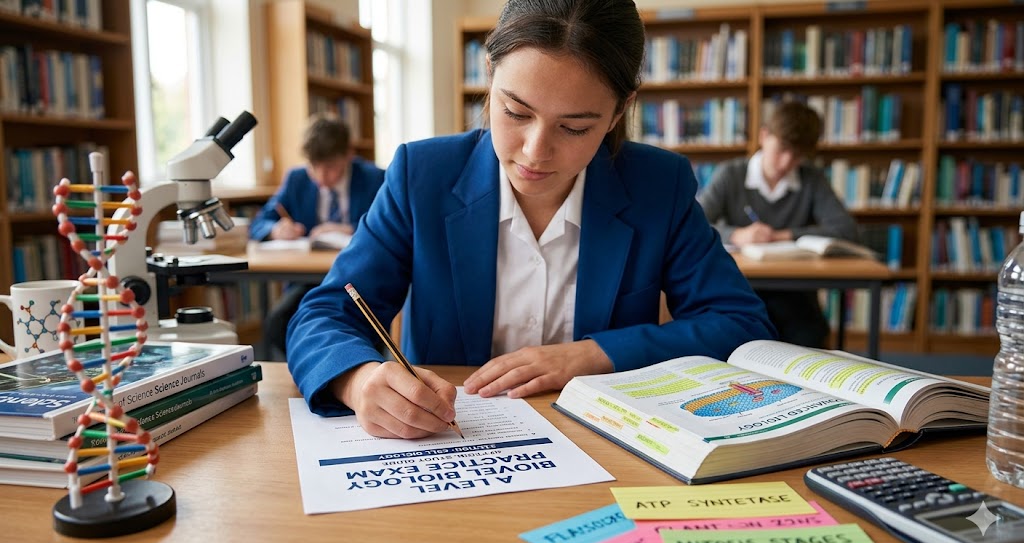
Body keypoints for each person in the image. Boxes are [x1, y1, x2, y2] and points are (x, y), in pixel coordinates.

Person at [287, 0, 776, 440]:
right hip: (450, 447)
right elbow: (323, 316)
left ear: (618, 113)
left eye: (575, 127)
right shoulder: (423, 175)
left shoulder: (657, 185)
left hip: (608, 448)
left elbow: (740, 324)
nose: (535, 152)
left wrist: (591, 355)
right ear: (489, 73)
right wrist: (358, 380)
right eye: (516, 112)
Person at [697, 100, 859, 348]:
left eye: (797, 156)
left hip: (797, 298)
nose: (786, 163)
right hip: (740, 290)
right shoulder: (731, 175)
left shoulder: (811, 179)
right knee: (738, 339)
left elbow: (846, 230)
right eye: (782, 149)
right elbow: (694, 225)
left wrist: (780, 235)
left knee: (807, 341)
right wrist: (737, 234)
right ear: (764, 136)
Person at [249, 114, 385, 360]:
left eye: (331, 168)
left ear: (349, 155)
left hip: (359, 278)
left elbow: (390, 226)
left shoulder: (375, 178)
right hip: (308, 281)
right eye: (314, 167)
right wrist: (276, 229)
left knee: (359, 328)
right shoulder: (297, 179)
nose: (321, 177)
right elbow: (260, 222)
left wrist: (353, 228)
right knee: (279, 322)